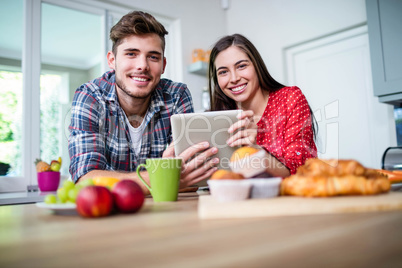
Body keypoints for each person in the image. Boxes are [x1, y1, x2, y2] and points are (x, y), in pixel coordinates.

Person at [68, 11, 218, 193]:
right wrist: (164, 177)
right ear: (112, 60)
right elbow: (86, 180)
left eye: (153, 57)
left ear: (163, 65)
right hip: (107, 213)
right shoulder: (90, 96)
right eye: (131, 54)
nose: (142, 66)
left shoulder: (177, 95)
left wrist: (176, 178)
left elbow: (190, 180)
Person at [208, 34, 317, 177]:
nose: (234, 79)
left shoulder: (290, 99)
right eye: (223, 72)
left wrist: (255, 150)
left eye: (241, 66)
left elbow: (299, 169)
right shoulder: (218, 118)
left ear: (256, 66)